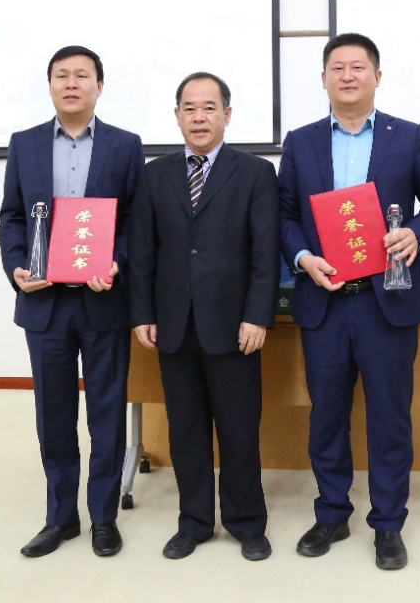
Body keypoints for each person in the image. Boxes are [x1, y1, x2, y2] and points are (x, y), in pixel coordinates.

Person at [279, 33, 420, 571]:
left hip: (388, 300)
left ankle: (388, 522)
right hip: (326, 299)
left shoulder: (408, 136)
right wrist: (303, 256)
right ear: (324, 79)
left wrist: (416, 233)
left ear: (377, 77)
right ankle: (332, 513)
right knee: (327, 416)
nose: (348, 76)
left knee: (389, 418)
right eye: (337, 67)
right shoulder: (301, 141)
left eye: (358, 67)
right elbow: (284, 214)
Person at [0, 45, 144, 559]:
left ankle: (104, 517)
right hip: (45, 304)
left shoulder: (125, 146)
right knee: (54, 416)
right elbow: (12, 216)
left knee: (106, 414)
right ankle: (61, 518)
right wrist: (17, 267)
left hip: (104, 301)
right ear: (50, 86)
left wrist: (117, 261)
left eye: (82, 75)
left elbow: (134, 221)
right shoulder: (25, 144)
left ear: (99, 86)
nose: (72, 84)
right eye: (62, 75)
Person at [132, 72, 278, 562]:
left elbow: (265, 254)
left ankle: (246, 523)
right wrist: (143, 312)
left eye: (209, 108)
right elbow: (143, 251)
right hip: (173, 326)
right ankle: (193, 523)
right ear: (177, 116)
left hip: (235, 327)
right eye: (189, 108)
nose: (199, 117)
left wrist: (257, 316)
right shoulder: (154, 175)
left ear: (227, 115)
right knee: (186, 432)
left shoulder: (255, 173)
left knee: (239, 431)